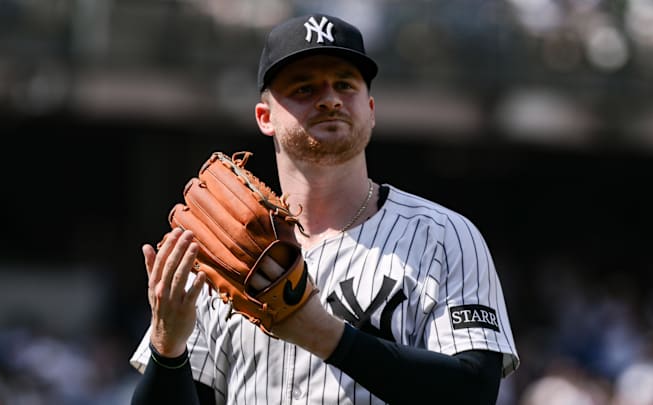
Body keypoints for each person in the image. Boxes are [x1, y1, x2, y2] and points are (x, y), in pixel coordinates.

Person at [129, 13, 519, 405]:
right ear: (265, 117)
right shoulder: (220, 259)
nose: (330, 98)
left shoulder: (444, 236)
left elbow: (473, 392)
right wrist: (167, 346)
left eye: (344, 85)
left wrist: (320, 332)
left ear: (370, 108)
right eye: (304, 87)